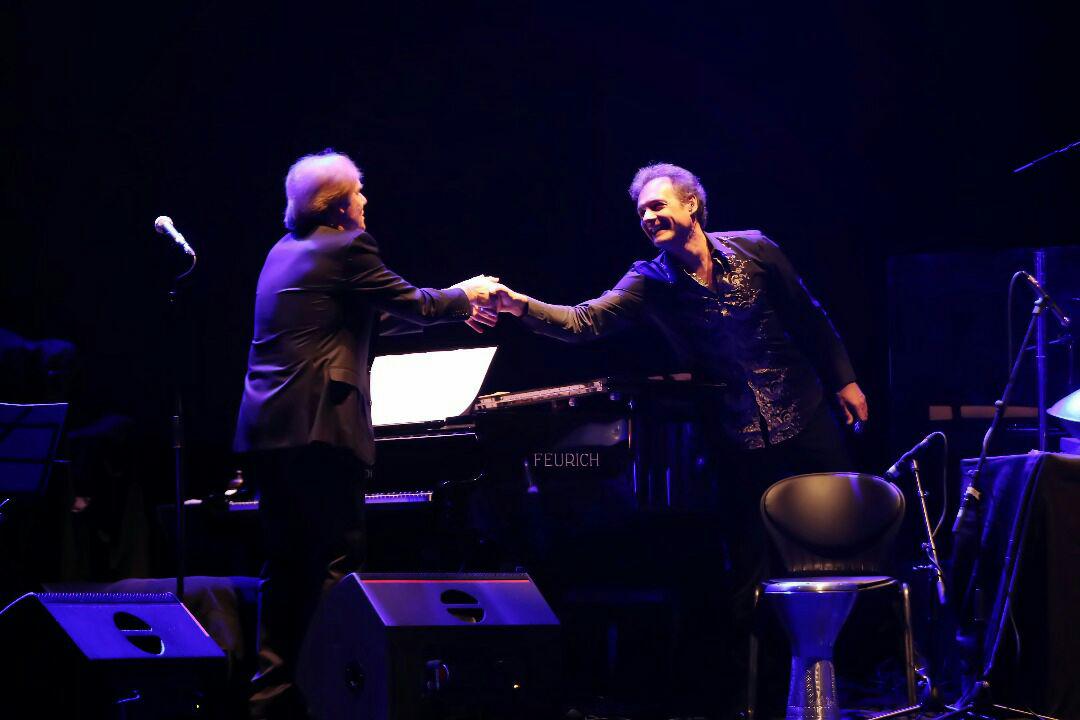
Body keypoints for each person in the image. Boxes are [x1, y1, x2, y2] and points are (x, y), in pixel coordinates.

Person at [473, 162, 870, 713]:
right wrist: (520, 305)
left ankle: (847, 681)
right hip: (734, 438)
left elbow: (809, 315)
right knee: (751, 572)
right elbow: (586, 320)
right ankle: (759, 698)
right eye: (641, 211)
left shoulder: (756, 249)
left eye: (657, 205)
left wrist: (844, 379)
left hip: (804, 415)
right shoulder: (649, 280)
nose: (648, 216)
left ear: (692, 206)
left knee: (836, 547)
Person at [234, 149, 497, 718]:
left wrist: (451, 306)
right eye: (358, 192)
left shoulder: (284, 252)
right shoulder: (349, 247)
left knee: (284, 566)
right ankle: (334, 690)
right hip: (322, 428)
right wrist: (467, 294)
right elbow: (413, 305)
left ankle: (270, 696)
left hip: (268, 431)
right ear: (338, 206)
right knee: (338, 561)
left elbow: (368, 315)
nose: (365, 200)